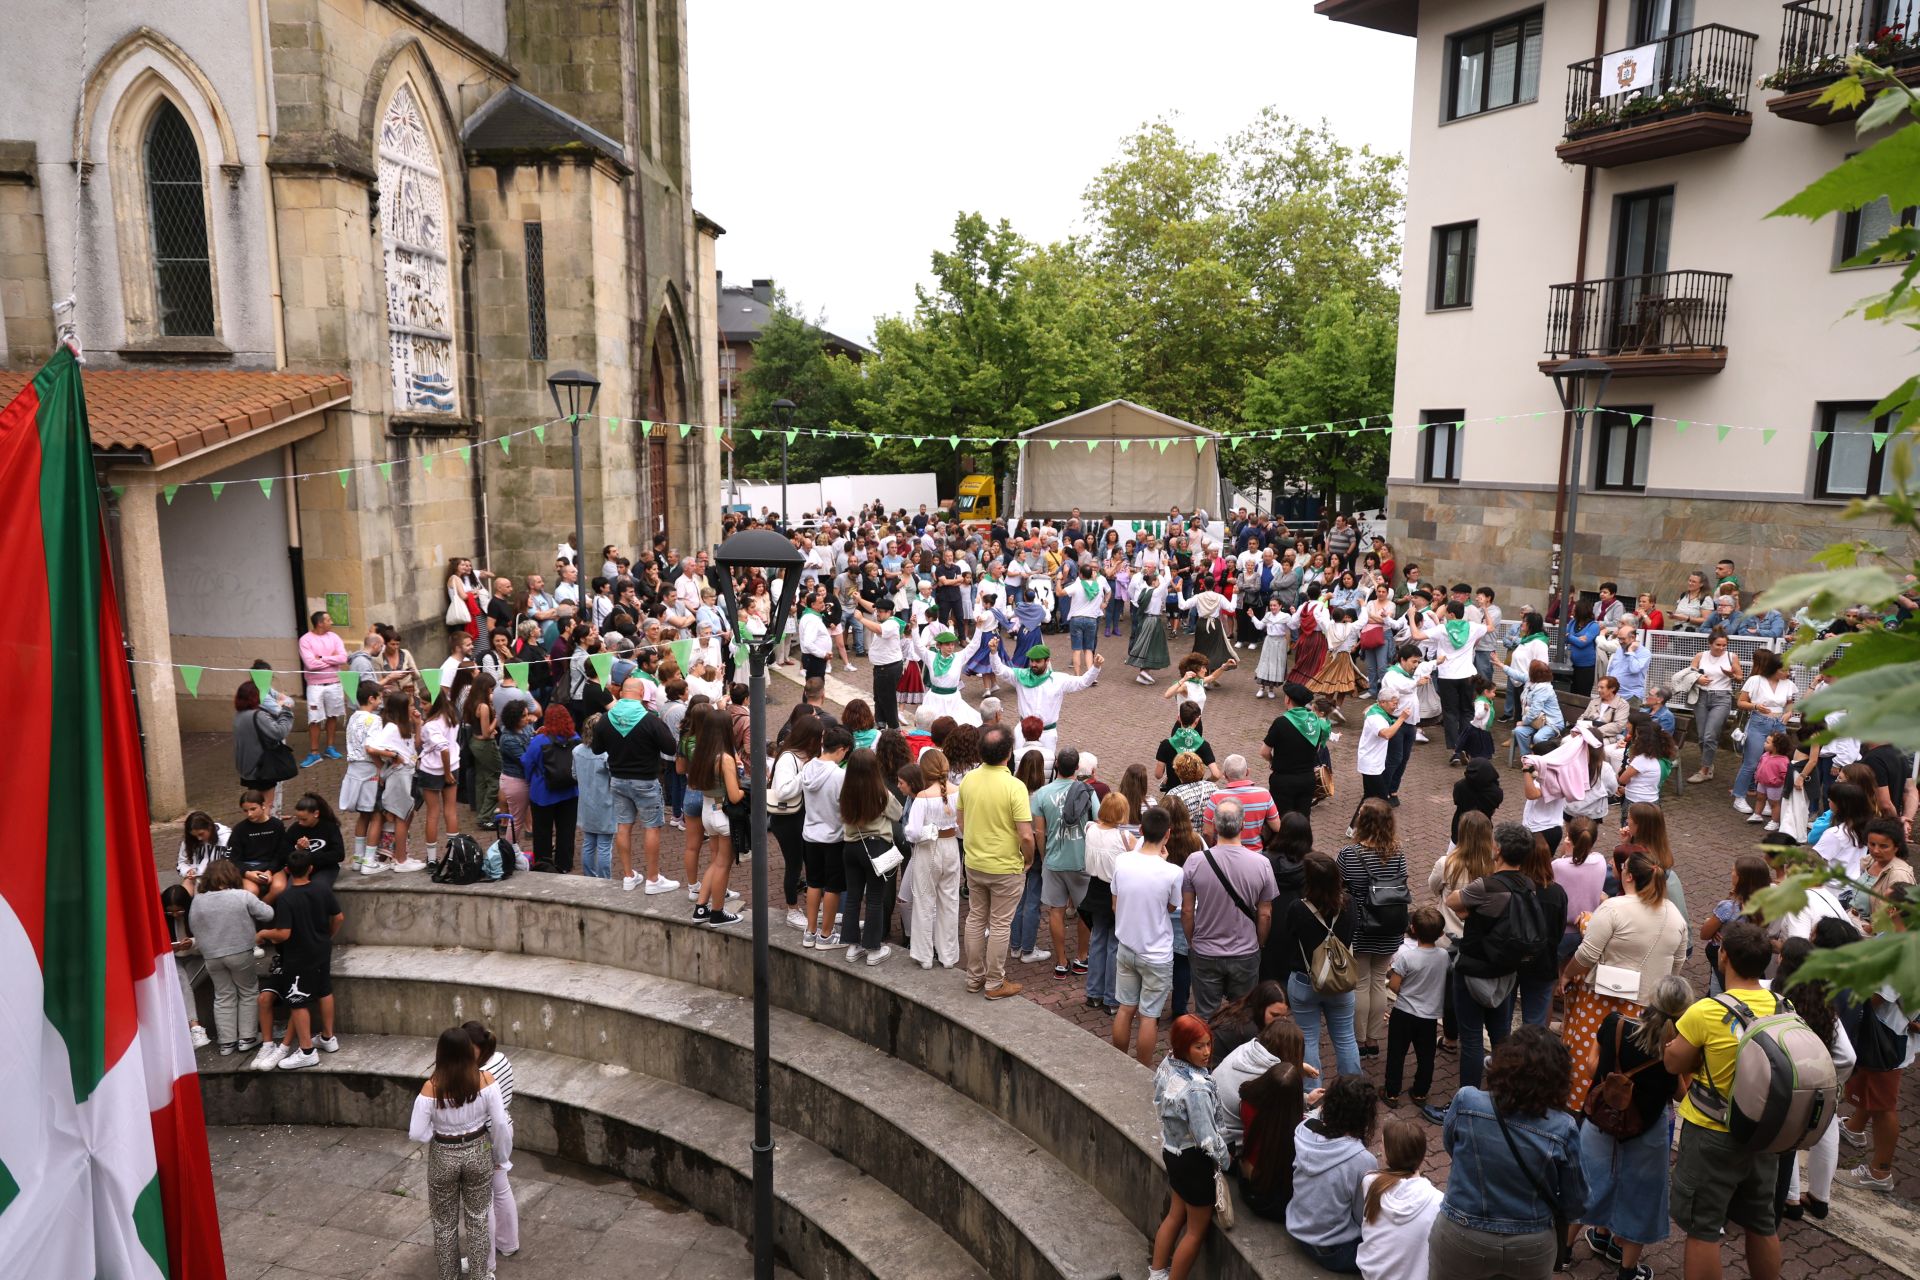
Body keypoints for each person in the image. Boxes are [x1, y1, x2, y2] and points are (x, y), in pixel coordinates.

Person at [1663, 920, 1785, 1280]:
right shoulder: (1783, 1005)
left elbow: (1673, 1062)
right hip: (1764, 1132)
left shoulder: (1707, 1011)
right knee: (1762, 1221)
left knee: (1703, 1227)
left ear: (1724, 957)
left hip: (1712, 1132)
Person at [1431, 1026, 1587, 1279]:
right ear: (1558, 1080)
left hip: (1462, 1231)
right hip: (1531, 1243)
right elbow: (1576, 1200)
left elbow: (1452, 1146)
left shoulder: (1467, 1101)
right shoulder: (1563, 1126)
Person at [1576, 974, 1691, 1280]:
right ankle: (1627, 1271)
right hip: (1647, 1128)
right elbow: (1681, 1094)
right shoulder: (1673, 1050)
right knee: (1641, 1196)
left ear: (1652, 997)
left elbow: (1591, 1066)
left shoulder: (1615, 1023)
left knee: (1584, 1184)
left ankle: (1562, 1252)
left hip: (1600, 1120)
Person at [408, 1026, 513, 1280]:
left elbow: (416, 1132)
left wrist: (437, 1133)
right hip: (478, 1150)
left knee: (444, 1224)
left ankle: (449, 1276)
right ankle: (480, 1274)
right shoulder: (486, 1080)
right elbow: (499, 1123)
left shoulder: (430, 1088)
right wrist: (501, 1156)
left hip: (444, 1153)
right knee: (478, 1219)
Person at [1446, 823, 1542, 1090]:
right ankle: (1502, 1090)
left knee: (1473, 1039)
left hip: (1474, 971)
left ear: (1497, 850)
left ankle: (1468, 1097)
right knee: (1501, 1036)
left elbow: (1453, 901)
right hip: (1507, 970)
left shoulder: (1486, 886)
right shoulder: (1528, 885)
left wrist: (1470, 913)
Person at [1148, 1016, 1230, 1280]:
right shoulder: (1197, 1089)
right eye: (1198, 1046)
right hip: (1194, 1163)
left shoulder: (1167, 1064)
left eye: (1208, 1044)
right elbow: (1207, 1137)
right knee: (1195, 1231)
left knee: (1175, 1215)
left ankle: (1157, 1273)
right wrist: (1227, 1160)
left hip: (1172, 1151)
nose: (1206, 1052)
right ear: (1184, 1046)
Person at [957, 725, 1037, 999]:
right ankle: (994, 982)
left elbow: (961, 822)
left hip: (975, 862)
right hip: (1005, 865)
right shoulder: (1015, 786)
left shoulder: (968, 780)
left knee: (976, 917)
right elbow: (1026, 835)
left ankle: (973, 976)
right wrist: (1029, 859)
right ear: (1009, 753)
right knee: (1000, 923)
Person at [1181, 798, 1278, 1020]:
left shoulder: (1195, 861)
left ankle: (1207, 1053)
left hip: (1206, 950)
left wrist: (1192, 941)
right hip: (1245, 951)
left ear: (1214, 826)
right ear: (1243, 825)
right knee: (1243, 1014)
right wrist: (1259, 942)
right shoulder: (1261, 863)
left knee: (1206, 1015)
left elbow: (1187, 911)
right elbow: (1265, 913)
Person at [249, 848, 343, 1071]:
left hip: (299, 955)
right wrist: (328, 936)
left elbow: (284, 934)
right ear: (311, 868)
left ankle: (307, 1051)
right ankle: (329, 1038)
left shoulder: (287, 898)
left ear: (288, 871)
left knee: (297, 999)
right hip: (322, 949)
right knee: (324, 990)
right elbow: (338, 917)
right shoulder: (322, 889)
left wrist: (263, 934)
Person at [592, 675, 680, 894]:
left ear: (621, 694)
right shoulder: (650, 719)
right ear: (641, 694)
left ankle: (628, 876)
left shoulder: (606, 719)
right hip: (645, 781)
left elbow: (596, 749)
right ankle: (652, 879)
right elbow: (670, 748)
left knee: (624, 826)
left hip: (618, 781)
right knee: (651, 826)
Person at [1338, 798, 1410, 1058]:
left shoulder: (1349, 854)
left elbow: (1339, 889)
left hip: (1360, 926)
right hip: (1390, 925)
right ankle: (1373, 1038)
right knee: (1379, 980)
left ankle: (1358, 1040)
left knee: (1360, 982)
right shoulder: (1398, 853)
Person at [1277, 852, 1360, 1078]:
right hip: (1341, 980)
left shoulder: (1298, 908)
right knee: (1345, 1037)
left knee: (1308, 1040)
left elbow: (1289, 938)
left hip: (1306, 981)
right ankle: (1351, 1090)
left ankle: (1313, 1096)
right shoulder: (1349, 905)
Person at [1286, 1074, 1379, 1273]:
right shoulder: (1362, 1160)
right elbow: (1362, 1216)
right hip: (1333, 1250)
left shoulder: (1304, 1129)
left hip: (1297, 1227)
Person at [1113, 805, 1184, 1064]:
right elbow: (1171, 906)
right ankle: (1142, 1069)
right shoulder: (1174, 872)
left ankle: (1120, 1061)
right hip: (1156, 953)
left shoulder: (1122, 861)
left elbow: (1115, 902)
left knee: (1125, 1008)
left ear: (1141, 830)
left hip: (1126, 946)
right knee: (1149, 1015)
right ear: (1168, 834)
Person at [187, 859, 274, 1055]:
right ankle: (247, 1037)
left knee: (223, 995)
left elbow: (193, 926)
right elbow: (268, 914)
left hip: (212, 956)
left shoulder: (198, 900)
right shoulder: (241, 895)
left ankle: (226, 1042)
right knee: (248, 991)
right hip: (240, 951)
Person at [1033, 747, 1096, 978]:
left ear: (1057, 765)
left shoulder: (1041, 794)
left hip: (1054, 860)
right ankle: (1081, 957)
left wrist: (1044, 854)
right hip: (1081, 860)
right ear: (1077, 767)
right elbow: (1098, 823)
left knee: (1055, 910)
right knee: (1084, 912)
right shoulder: (1087, 791)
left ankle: (1061, 961)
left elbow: (1039, 831)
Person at [463, 1020, 520, 1269]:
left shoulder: (477, 1075)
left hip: (485, 1138)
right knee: (501, 1188)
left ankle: (484, 1262)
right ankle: (508, 1243)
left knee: (481, 1202)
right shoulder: (502, 1059)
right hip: (503, 1128)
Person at [1357, 1118, 1442, 1280]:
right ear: (1422, 1156)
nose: (1380, 1147)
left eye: (1383, 1144)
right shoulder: (1437, 1201)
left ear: (1388, 1157)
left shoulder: (1370, 1181)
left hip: (1371, 1274)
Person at [1384, 907, 1447, 1117]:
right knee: (1426, 1055)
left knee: (1396, 1053)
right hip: (1429, 1016)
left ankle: (1391, 1092)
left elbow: (1393, 985)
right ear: (1440, 934)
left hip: (1404, 1012)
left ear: (1413, 929)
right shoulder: (1444, 956)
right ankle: (1420, 1092)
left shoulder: (1407, 958)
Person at [903, 748, 962, 970]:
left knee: (924, 901)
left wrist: (928, 831)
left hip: (928, 850)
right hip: (951, 849)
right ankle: (948, 955)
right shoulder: (958, 791)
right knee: (949, 901)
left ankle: (924, 955)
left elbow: (913, 832)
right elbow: (962, 827)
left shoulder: (923, 797)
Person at [688, 707, 747, 927]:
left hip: (707, 810)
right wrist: (746, 789)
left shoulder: (701, 752)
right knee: (723, 864)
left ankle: (701, 907)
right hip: (724, 814)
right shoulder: (725, 758)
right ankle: (717, 912)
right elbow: (734, 794)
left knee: (715, 862)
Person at [1082, 791, 1134, 1011]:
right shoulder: (1125, 838)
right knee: (1115, 944)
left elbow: (1093, 824)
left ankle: (1093, 992)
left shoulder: (1090, 829)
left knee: (1097, 940)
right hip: (1116, 892)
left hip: (1094, 888)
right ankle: (1112, 998)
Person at [1732, 647, 1797, 820]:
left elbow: (1790, 702)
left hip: (1779, 724)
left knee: (1778, 763)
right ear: (1774, 669)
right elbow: (1741, 702)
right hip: (1759, 722)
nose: (1787, 673)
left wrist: (1788, 713)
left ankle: (1771, 799)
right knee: (1751, 762)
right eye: (1784, 670)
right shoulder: (1756, 680)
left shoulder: (1788, 684)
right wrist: (1755, 706)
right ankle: (1739, 796)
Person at [520, 705, 580, 875]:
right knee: (566, 830)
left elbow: (527, 763)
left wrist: (531, 779)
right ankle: (564, 863)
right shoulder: (575, 738)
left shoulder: (539, 741)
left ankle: (543, 864)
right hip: (569, 791)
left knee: (542, 831)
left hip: (543, 793)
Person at [1262, 682, 1329, 825]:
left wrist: (1272, 761)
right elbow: (1317, 749)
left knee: (1280, 821)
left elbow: (1264, 751)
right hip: (1307, 779)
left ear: (1288, 700)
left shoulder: (1281, 722)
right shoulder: (1316, 722)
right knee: (1303, 820)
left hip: (1283, 781)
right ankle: (1301, 846)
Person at [297, 610, 349, 767]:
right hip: (315, 686)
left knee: (332, 716)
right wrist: (333, 660)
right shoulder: (305, 640)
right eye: (329, 620)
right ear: (320, 623)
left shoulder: (334, 637)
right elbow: (311, 665)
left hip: (334, 683)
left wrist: (322, 658)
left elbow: (343, 658)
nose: (331, 622)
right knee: (315, 719)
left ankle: (330, 747)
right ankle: (314, 752)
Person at [573, 713, 615, 879]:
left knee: (588, 843)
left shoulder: (577, 751)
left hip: (585, 802)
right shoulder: (605, 755)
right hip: (605, 803)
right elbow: (614, 778)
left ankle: (589, 876)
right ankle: (605, 879)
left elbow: (574, 774)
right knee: (605, 845)